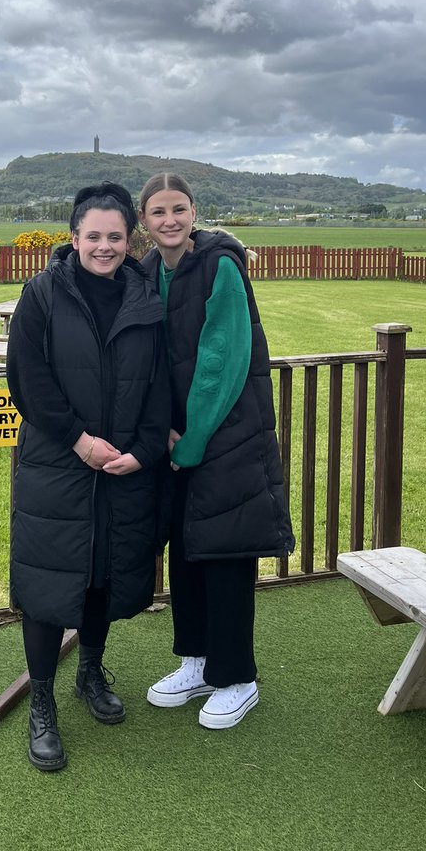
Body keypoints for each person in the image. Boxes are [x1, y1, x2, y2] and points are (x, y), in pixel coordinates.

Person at [7, 182, 171, 772]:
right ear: (74, 238)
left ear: (131, 241)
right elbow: (28, 379)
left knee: (104, 574)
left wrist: (143, 452)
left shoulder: (144, 298)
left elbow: (159, 387)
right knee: (47, 586)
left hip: (122, 468)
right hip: (57, 466)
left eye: (116, 237)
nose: (105, 246)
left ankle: (90, 672)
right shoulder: (42, 295)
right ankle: (42, 703)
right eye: (94, 235)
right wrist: (80, 441)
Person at [138, 172, 295, 730]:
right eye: (158, 211)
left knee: (226, 552)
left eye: (179, 209)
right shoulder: (149, 270)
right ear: (144, 221)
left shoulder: (220, 265)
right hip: (177, 439)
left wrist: (194, 440)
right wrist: (164, 432)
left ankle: (237, 678)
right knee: (187, 548)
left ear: (194, 212)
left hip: (227, 435)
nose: (170, 220)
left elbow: (221, 361)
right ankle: (197, 662)